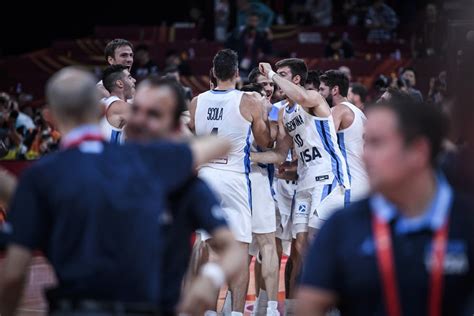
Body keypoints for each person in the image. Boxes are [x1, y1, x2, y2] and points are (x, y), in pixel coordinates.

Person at [0, 67, 232, 316]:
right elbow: (218, 145)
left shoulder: (41, 176)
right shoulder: (144, 162)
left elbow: (13, 274)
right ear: (101, 109)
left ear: (49, 117)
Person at [298, 98, 474, 316]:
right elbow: (309, 306)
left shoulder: (466, 222)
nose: (364, 155)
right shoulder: (341, 225)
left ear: (419, 151)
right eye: (365, 142)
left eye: (377, 143)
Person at [125, 76, 245, 315]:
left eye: (153, 114)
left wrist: (210, 278)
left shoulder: (186, 186)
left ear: (175, 128)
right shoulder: (105, 164)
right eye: (136, 109)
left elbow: (234, 251)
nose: (139, 119)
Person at [253, 59, 350, 314]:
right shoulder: (285, 112)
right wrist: (247, 157)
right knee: (298, 248)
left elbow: (301, 96)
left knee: (317, 243)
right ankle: (300, 307)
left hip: (328, 177)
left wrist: (272, 74)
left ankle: (337, 306)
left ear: (295, 79)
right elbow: (279, 154)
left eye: (283, 75)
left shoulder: (314, 98)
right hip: (304, 180)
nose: (276, 81)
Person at [189, 49, 273, 315]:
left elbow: (195, 136)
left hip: (205, 176)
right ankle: (236, 312)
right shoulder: (249, 100)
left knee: (211, 251)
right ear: (237, 73)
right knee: (237, 253)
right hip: (234, 176)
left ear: (213, 73)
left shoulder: (196, 101)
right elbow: (264, 142)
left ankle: (210, 311)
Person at [240, 82, 279, 315]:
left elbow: (278, 153)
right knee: (265, 246)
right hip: (254, 181)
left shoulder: (237, 109)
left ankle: (232, 306)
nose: (267, 93)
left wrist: (243, 157)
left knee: (244, 249)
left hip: (239, 178)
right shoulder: (264, 111)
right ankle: (271, 308)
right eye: (262, 90)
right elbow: (272, 147)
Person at [319, 70, 369, 202]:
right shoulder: (359, 113)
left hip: (349, 183)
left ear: (334, 90)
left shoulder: (338, 110)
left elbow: (322, 142)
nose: (319, 95)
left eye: (322, 89)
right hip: (363, 180)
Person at [227, 12, 272, 78]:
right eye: (251, 20)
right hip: (238, 64)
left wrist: (269, 40)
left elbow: (268, 50)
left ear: (258, 22)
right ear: (247, 20)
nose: (252, 23)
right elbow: (229, 46)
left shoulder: (260, 35)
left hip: (253, 65)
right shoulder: (239, 32)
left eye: (255, 21)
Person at [100, 64, 136, 143]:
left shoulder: (103, 102)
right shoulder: (119, 106)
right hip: (109, 154)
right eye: (129, 78)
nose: (134, 80)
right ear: (120, 83)